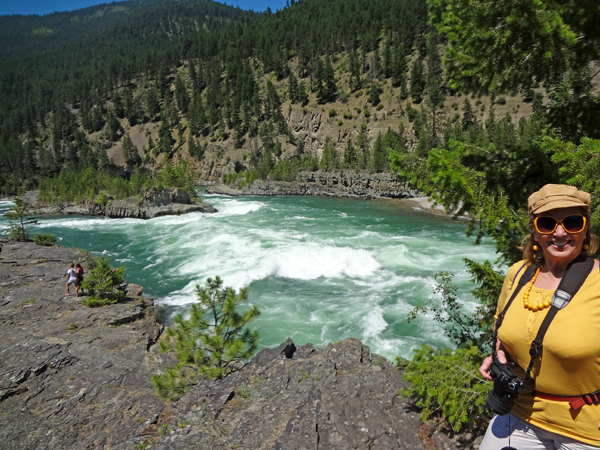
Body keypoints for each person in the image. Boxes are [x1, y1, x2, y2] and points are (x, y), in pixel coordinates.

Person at [479, 184, 600, 449]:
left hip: (588, 431)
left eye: (572, 222)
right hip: (518, 413)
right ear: (535, 230)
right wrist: (499, 354)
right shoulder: (518, 274)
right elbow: (501, 330)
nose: (559, 232)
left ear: (585, 229)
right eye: (547, 223)